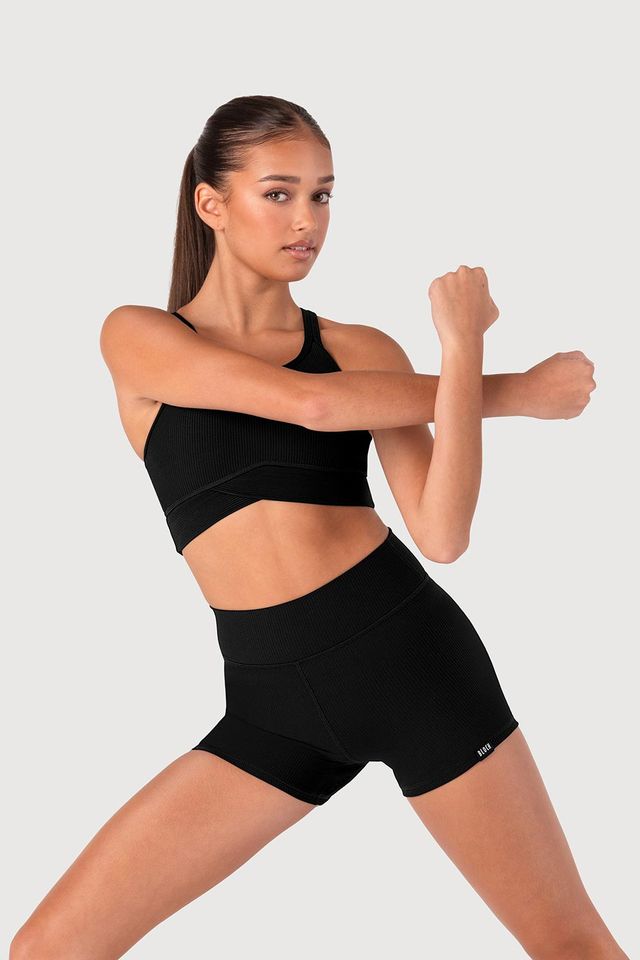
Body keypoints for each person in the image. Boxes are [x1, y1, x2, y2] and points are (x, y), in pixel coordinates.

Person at [10, 95, 628, 960]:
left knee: (571, 943)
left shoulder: (362, 350)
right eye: (279, 193)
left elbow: (443, 533)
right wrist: (517, 392)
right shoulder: (141, 337)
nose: (308, 220)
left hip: (415, 665)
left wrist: (460, 349)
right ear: (211, 203)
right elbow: (310, 405)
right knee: (49, 949)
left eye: (323, 195)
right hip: (273, 704)